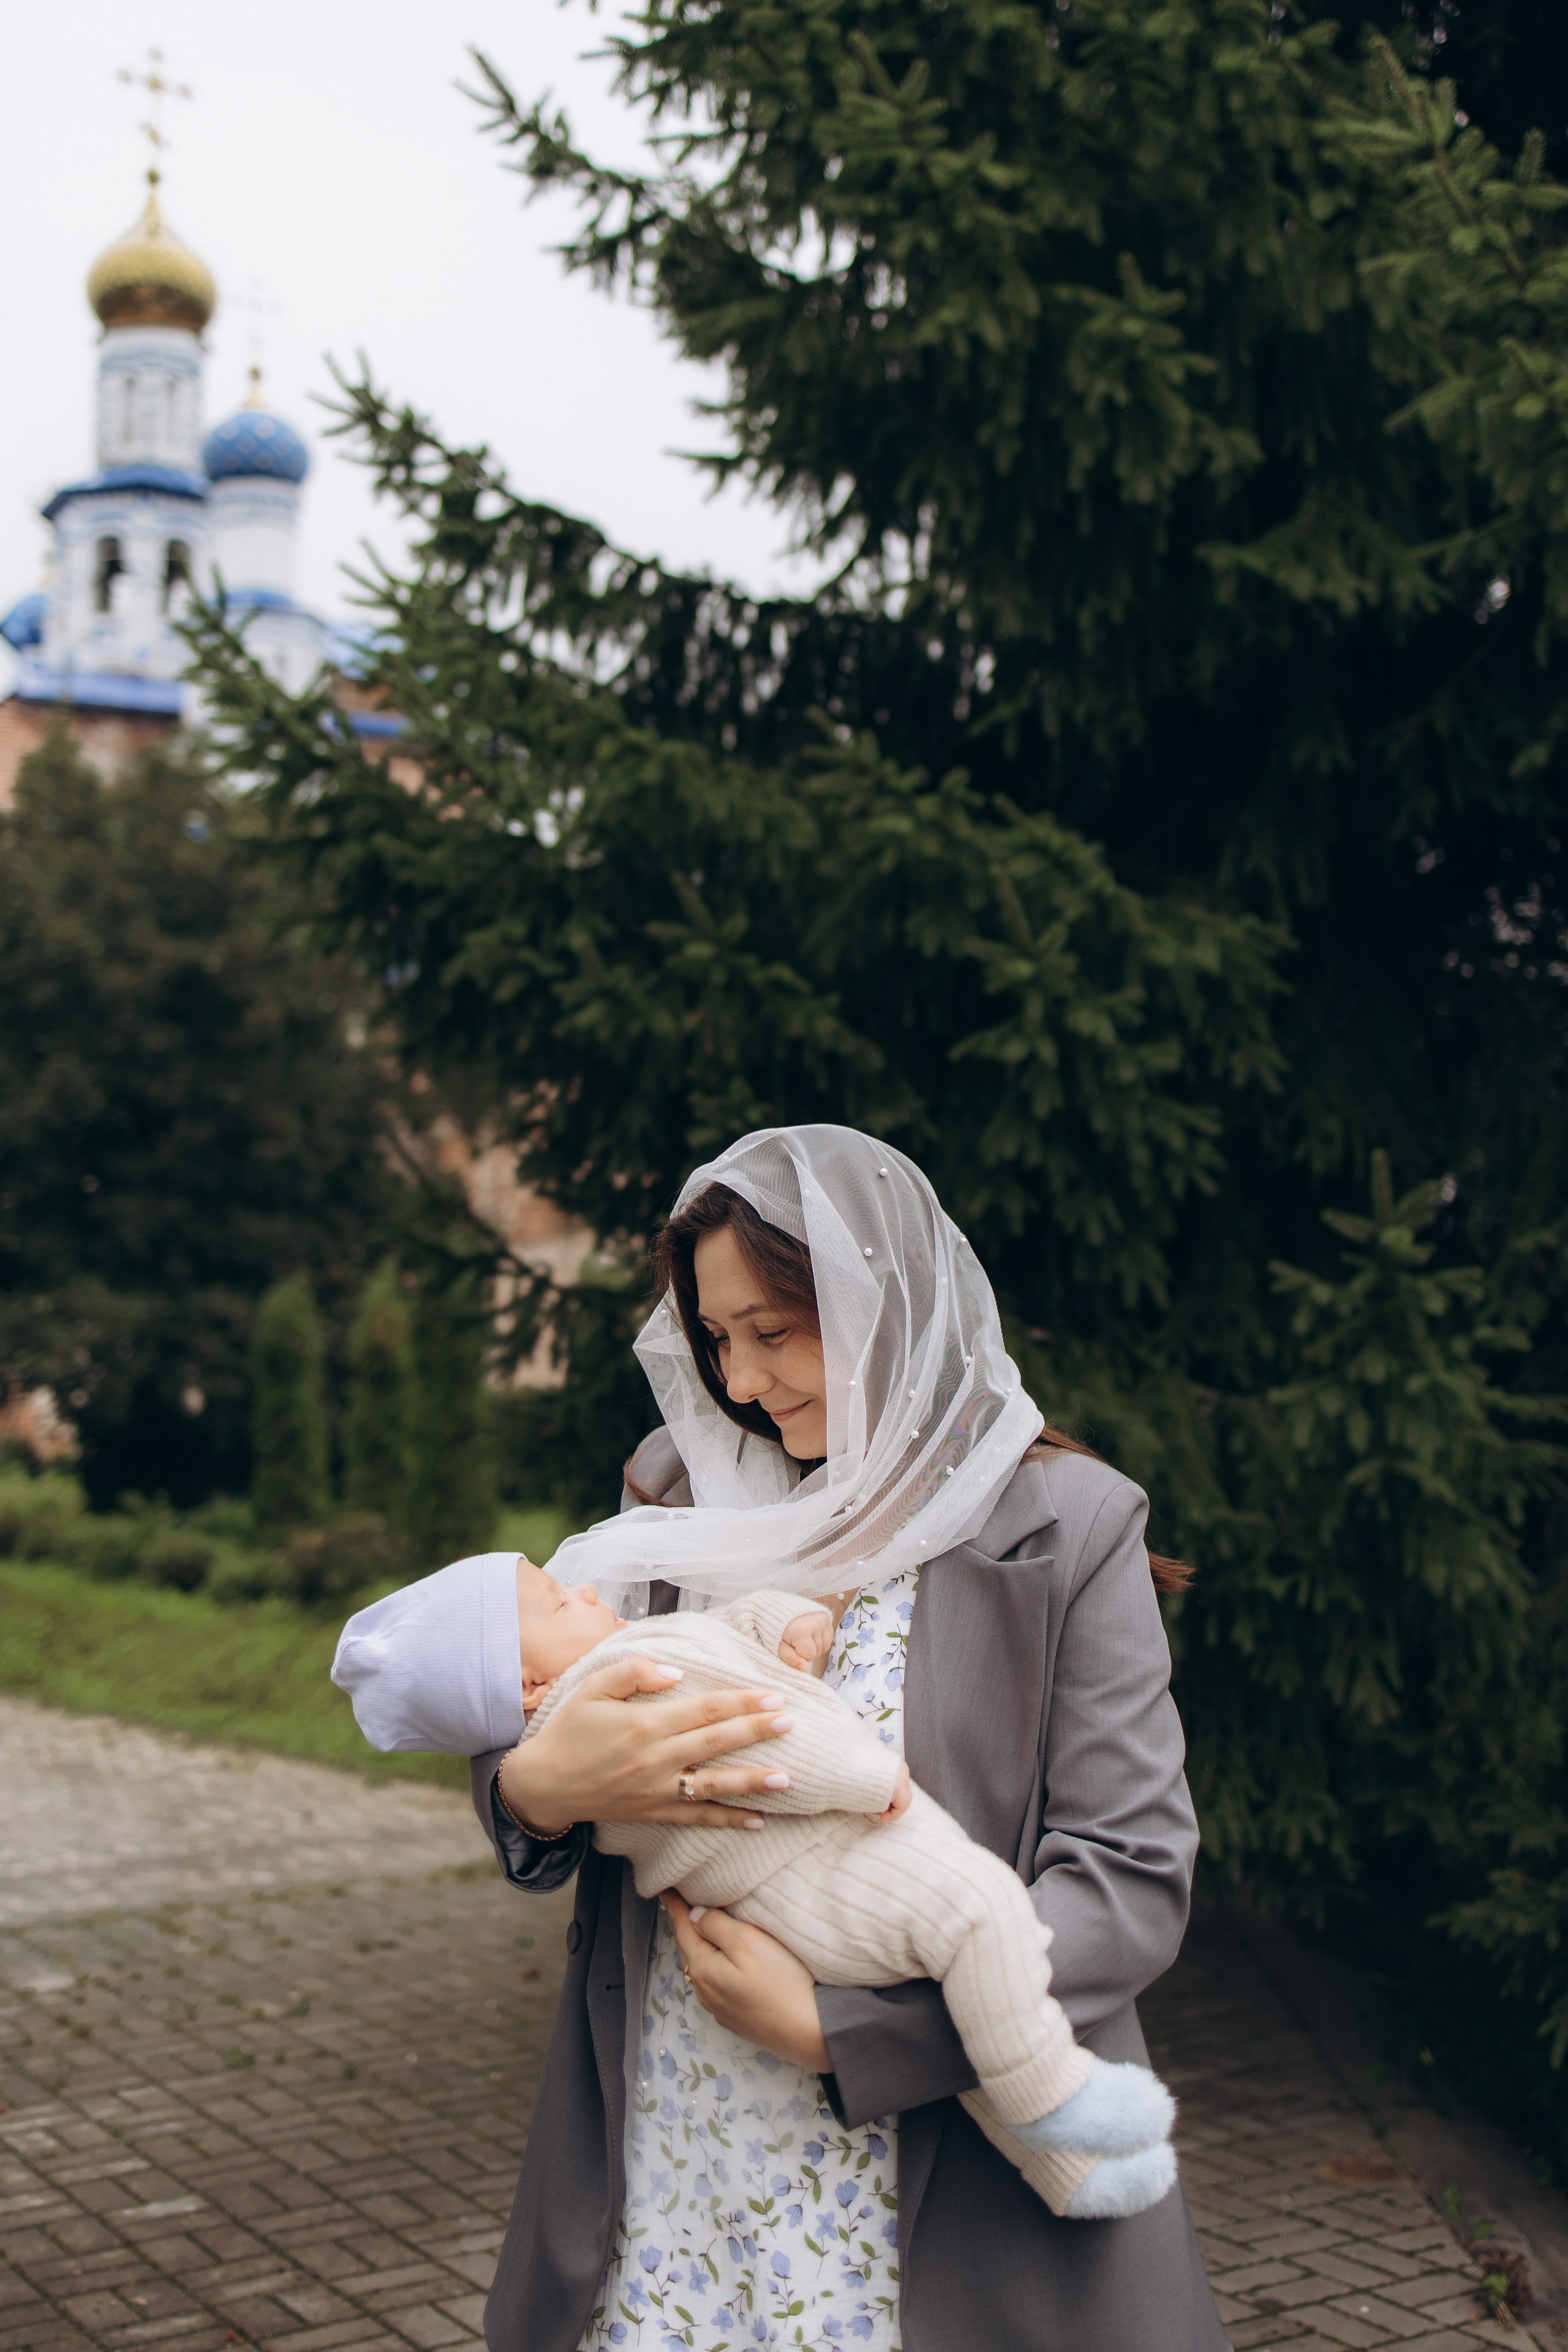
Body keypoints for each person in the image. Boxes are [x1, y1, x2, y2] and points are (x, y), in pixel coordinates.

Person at [442, 1126, 1227, 2350]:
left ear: (882, 1302)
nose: (743, 1378)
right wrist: (536, 1786)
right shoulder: (675, 1489)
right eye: (717, 1337)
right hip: (675, 2161)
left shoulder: (1067, 1527)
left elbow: (1128, 1878)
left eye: (773, 1329)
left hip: (922, 2179)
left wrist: (847, 2035)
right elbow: (528, 1674)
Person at [333, 1554, 1180, 2220]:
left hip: (777, 1906)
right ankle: (1058, 2101)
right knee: (981, 1912)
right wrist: (861, 1774)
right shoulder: (624, 1675)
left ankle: (1067, 2171)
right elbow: (763, 1737)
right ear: (527, 1686)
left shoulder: (603, 1681)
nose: (584, 1587)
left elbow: (720, 1638)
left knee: (963, 1992)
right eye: (557, 1601)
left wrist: (782, 1624)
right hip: (823, 1861)